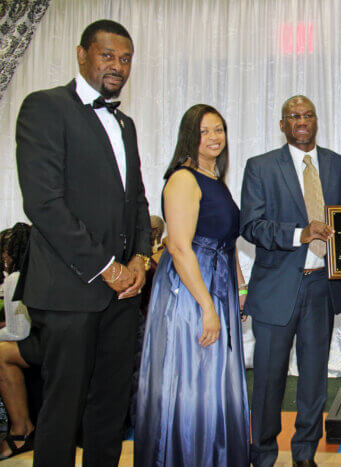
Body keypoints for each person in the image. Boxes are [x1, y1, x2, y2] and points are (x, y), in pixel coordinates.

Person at [14, 19, 151, 466]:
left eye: (125, 58)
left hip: (122, 295)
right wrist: (108, 267)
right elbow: (44, 204)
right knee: (62, 410)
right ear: (81, 54)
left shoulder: (125, 123)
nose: (117, 65)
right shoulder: (44, 107)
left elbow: (137, 202)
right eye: (107, 55)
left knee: (110, 410)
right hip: (70, 291)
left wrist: (140, 260)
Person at [241, 95, 341, 467]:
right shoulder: (260, 167)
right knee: (269, 381)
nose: (302, 121)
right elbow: (251, 225)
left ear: (316, 121)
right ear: (282, 124)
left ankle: (305, 453)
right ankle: (262, 453)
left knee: (313, 382)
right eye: (294, 116)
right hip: (276, 289)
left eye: (308, 115)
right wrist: (299, 234)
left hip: (323, 287)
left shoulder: (339, 166)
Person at [135, 104, 249, 466]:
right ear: (190, 136)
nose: (215, 137)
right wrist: (208, 307)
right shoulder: (183, 179)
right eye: (205, 131)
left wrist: (240, 289)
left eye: (219, 129)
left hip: (218, 286)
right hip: (190, 294)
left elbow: (225, 242)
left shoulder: (214, 179)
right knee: (191, 378)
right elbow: (180, 247)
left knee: (212, 381)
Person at [0, 223, 33, 460]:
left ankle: (21, 428)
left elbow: (18, 332)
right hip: (56, 341)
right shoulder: (37, 271)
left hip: (38, 344)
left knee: (1, 353)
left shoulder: (15, 278)